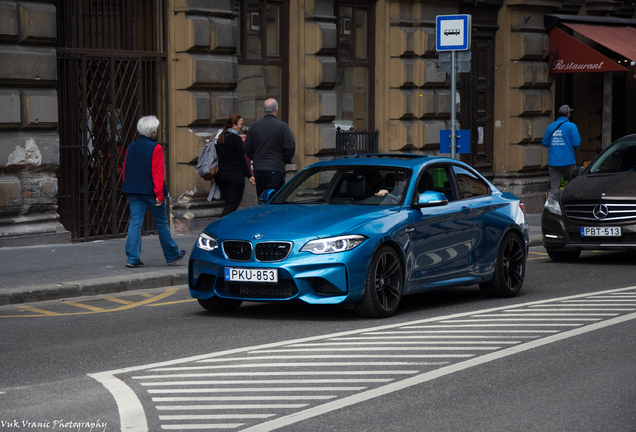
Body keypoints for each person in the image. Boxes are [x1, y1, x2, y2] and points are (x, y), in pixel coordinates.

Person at [121, 115, 187, 268]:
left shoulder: (131, 146)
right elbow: (158, 172)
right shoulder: (155, 148)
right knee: (162, 223)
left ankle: (132, 258)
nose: (156, 133)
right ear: (152, 133)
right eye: (155, 130)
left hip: (134, 191)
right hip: (151, 192)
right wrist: (159, 194)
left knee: (135, 223)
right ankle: (171, 255)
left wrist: (128, 187)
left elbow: (126, 168)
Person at [244, 98, 296, 198]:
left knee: (262, 199)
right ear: (277, 109)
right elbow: (290, 148)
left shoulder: (254, 126)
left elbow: (247, 148)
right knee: (275, 200)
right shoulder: (282, 126)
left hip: (259, 168)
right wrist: (284, 160)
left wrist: (256, 158)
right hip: (276, 168)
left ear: (263, 110)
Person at [215, 114, 256, 216]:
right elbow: (242, 159)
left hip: (221, 176)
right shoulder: (236, 139)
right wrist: (249, 176)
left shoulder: (221, 137)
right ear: (234, 126)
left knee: (228, 204)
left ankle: (226, 228)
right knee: (232, 205)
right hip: (234, 177)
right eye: (241, 124)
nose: (242, 126)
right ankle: (219, 226)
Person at [542, 104, 582, 192]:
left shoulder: (550, 126)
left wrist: (555, 146)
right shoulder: (571, 126)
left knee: (554, 188)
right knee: (572, 186)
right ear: (568, 114)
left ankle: (554, 205)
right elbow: (576, 143)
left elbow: (544, 142)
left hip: (553, 162)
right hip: (568, 161)